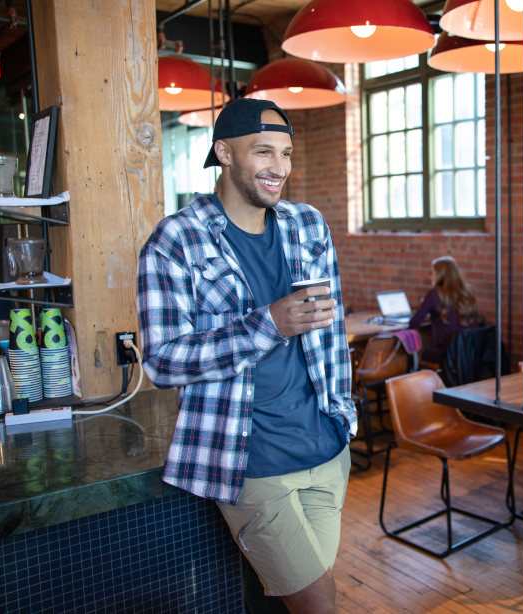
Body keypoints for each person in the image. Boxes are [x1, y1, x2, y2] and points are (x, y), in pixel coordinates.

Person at [137, 99, 355, 614]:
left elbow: (332, 328)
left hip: (326, 448)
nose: (279, 167)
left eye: (286, 153)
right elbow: (161, 361)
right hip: (251, 460)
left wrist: (342, 418)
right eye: (263, 151)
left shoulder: (308, 224)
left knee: (285, 603)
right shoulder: (176, 240)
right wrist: (267, 325)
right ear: (224, 153)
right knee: (317, 605)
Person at [409, 256, 483, 365]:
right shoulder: (468, 291)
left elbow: (414, 323)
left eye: (432, 273)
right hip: (471, 352)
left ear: (440, 275)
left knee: (418, 354)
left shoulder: (434, 293)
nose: (430, 276)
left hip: (448, 354)